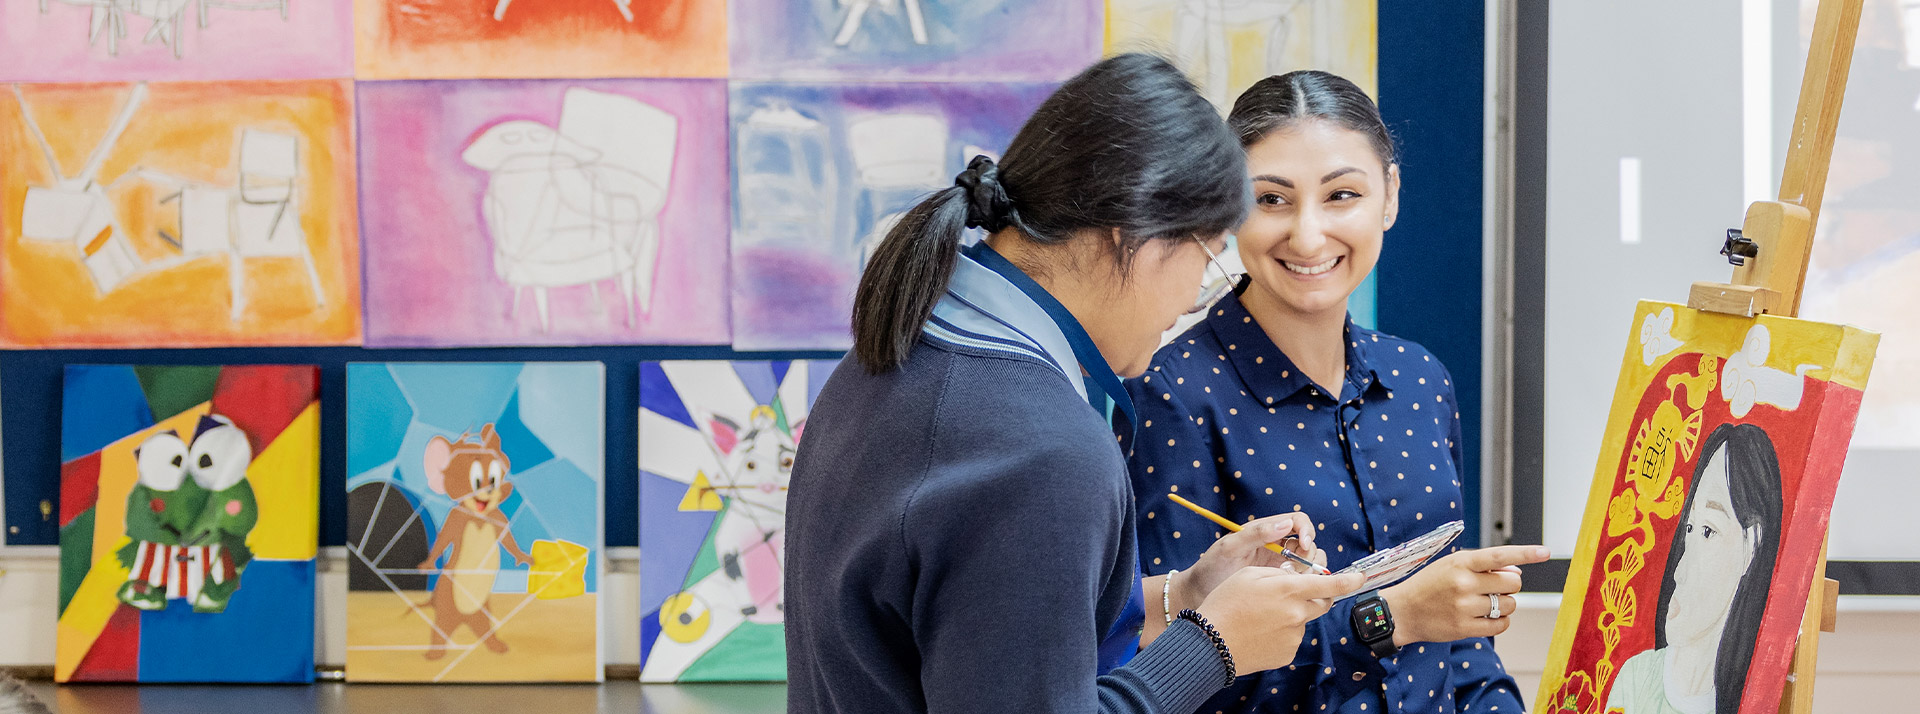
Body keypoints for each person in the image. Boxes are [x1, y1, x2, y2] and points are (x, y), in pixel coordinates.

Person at [784, 54, 1365, 714]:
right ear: (1136, 238)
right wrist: (1214, 646)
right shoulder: (1044, 449)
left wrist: (1188, 592)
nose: (1196, 299)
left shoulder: (899, 346)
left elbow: (996, 637)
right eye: (1208, 260)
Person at [1123, 70, 1549, 714]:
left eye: (1342, 195)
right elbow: (1174, 667)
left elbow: (1458, 642)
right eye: (1271, 200)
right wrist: (1388, 616)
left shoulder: (1419, 379)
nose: (1309, 235)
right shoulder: (1175, 392)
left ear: (1390, 197)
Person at [1606, 423, 1782, 714]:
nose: (1680, 571)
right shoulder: (1637, 679)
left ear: (1751, 545)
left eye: (1708, 531)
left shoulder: (1751, 701)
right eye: (1690, 527)